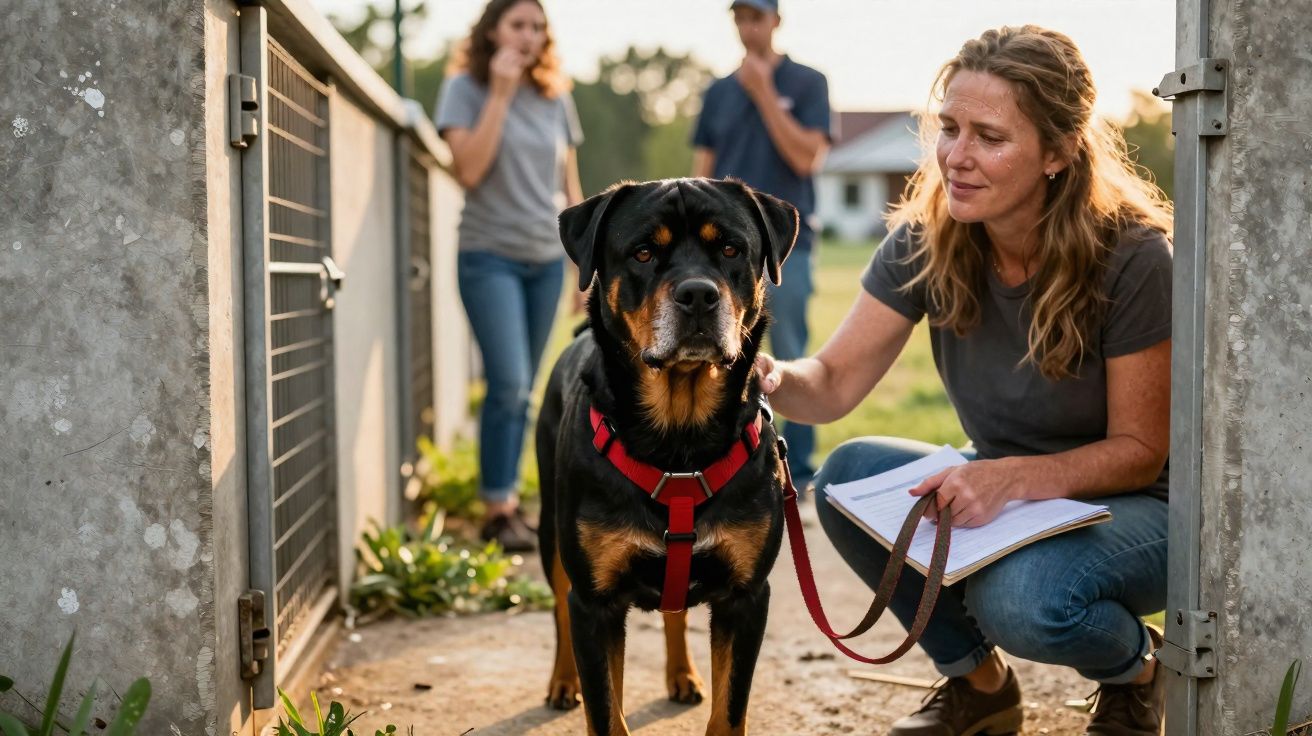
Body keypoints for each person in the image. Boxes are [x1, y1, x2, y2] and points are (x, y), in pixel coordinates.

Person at [755, 26, 1173, 735]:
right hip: (1011, 484)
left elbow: (1141, 451)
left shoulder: (1133, 255)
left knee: (1025, 602)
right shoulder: (928, 237)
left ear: (1059, 152)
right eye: (948, 128)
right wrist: (764, 374)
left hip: (1140, 506)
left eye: (989, 136)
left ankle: (1141, 670)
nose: (956, 156)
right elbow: (828, 384)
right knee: (850, 479)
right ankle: (981, 688)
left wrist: (1005, 480)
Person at [434, 0, 584, 552]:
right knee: (510, 383)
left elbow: (570, 188)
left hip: (545, 258)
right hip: (488, 255)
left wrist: (582, 267)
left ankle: (512, 504)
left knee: (526, 393)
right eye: (518, 25)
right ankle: (497, 508)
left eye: (538, 27)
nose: (529, 36)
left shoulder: (554, 96)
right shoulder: (463, 90)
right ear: (492, 31)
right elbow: (468, 170)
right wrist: (498, 94)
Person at [692, 0, 832, 492]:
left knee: (790, 348)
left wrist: (765, 92)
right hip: (719, 252)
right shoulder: (717, 92)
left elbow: (806, 158)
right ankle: (726, 458)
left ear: (776, 20)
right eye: (740, 18)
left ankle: (800, 467)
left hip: (784, 244)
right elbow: (702, 171)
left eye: (757, 17)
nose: (748, 27)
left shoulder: (807, 83)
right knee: (720, 347)